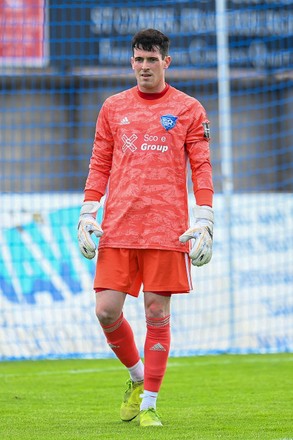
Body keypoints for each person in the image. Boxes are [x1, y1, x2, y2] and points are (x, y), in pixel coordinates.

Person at [77, 28, 214, 427]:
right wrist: (88, 211)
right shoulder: (113, 107)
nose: (143, 66)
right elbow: (99, 162)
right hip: (118, 226)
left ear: (165, 62)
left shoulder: (189, 109)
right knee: (105, 311)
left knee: (157, 310)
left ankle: (150, 404)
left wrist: (205, 216)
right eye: (138, 59)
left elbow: (201, 166)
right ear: (131, 61)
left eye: (151, 60)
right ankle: (137, 378)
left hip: (167, 228)